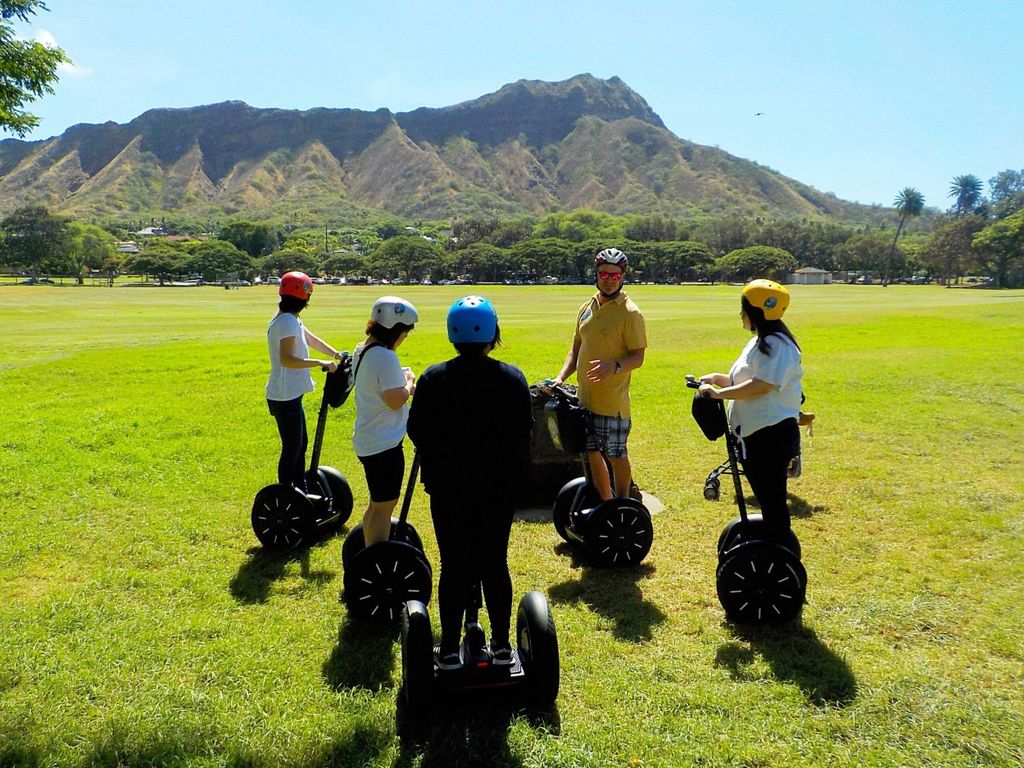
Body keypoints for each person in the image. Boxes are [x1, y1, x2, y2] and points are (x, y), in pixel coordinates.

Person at [407, 296, 532, 671]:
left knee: (454, 565)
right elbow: (524, 434)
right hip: (497, 490)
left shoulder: (432, 378)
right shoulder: (512, 378)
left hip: (449, 490)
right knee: (494, 563)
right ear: (493, 332)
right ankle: (501, 645)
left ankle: (447, 648)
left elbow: (417, 431)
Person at [697, 279, 803, 539]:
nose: (741, 315)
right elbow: (741, 381)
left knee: (772, 500)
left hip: (771, 435)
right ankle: (770, 544)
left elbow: (761, 386)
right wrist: (716, 379)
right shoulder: (758, 342)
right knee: (766, 498)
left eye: (743, 309)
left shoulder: (779, 346)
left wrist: (720, 394)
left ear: (757, 312)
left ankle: (776, 551)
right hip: (752, 435)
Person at [549, 248, 647, 501]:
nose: (608, 279)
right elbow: (575, 350)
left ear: (623, 276)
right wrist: (560, 378)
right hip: (585, 400)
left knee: (616, 455)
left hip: (612, 403)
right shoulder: (587, 307)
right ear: (596, 274)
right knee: (591, 452)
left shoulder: (630, 313)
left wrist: (613, 366)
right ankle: (606, 501)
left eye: (614, 275)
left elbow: (638, 356)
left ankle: (624, 502)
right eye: (604, 274)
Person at [265, 271, 341, 492]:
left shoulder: (289, 317)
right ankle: (286, 493)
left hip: (289, 394)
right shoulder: (286, 321)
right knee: (292, 447)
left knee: (300, 444)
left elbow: (310, 338)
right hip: (284, 395)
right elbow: (287, 359)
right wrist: (320, 363)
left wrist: (336, 354)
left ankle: (300, 488)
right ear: (304, 297)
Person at [352, 296, 418, 547]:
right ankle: (376, 558)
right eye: (404, 333)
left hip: (369, 438)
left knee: (377, 503)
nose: (404, 338)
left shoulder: (364, 348)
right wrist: (409, 381)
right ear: (395, 330)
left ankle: (370, 549)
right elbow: (395, 400)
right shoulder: (386, 357)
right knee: (384, 506)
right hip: (384, 444)